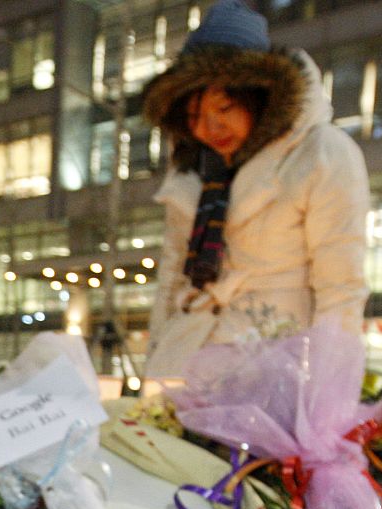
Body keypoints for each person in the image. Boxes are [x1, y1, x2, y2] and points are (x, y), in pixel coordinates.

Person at [140, 0, 369, 378]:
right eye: (195, 116)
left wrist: (329, 393)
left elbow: (341, 287)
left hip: (277, 367)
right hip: (189, 360)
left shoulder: (321, 152)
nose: (209, 128)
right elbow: (173, 275)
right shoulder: (194, 169)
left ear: (259, 95)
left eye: (224, 107)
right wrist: (155, 362)